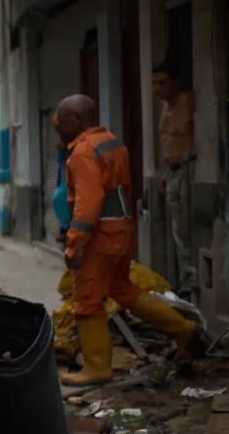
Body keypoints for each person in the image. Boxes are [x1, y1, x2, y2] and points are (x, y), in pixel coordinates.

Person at [54, 94, 198, 386]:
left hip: (98, 237)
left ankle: (96, 367)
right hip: (121, 230)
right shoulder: (111, 142)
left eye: (61, 117)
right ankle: (182, 328)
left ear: (78, 119)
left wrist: (74, 244)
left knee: (87, 300)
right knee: (122, 289)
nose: (56, 123)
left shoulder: (83, 152)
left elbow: (88, 204)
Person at [151, 63, 196, 295]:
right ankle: (186, 280)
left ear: (175, 82)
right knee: (177, 230)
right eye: (154, 83)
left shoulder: (187, 101)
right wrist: (164, 174)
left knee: (187, 227)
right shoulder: (163, 108)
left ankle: (193, 280)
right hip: (172, 172)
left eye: (162, 82)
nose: (157, 88)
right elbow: (165, 142)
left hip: (188, 170)